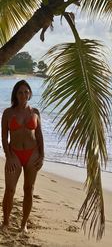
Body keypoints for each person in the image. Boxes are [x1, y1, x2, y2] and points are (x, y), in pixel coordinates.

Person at [1, 80, 44, 233]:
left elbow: (39, 135)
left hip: (33, 154)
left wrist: (42, 156)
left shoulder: (35, 112)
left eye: (26, 92)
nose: (24, 95)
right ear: (15, 95)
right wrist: (9, 156)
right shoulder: (8, 113)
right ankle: (5, 222)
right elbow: (4, 138)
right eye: (20, 92)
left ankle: (23, 224)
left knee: (29, 189)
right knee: (10, 190)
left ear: (30, 94)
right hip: (15, 155)